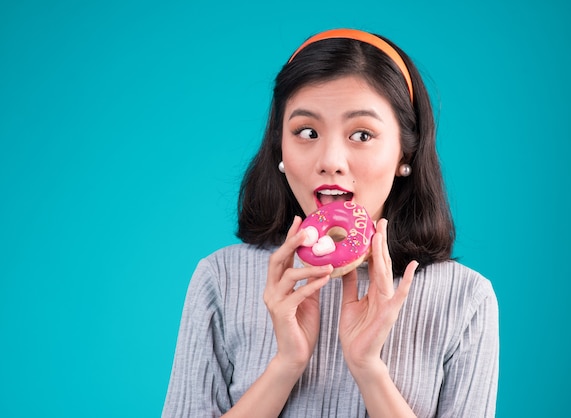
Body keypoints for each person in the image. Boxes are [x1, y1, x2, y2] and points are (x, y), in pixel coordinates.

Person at [162, 28, 499, 417]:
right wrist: (285, 365)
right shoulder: (221, 279)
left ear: (406, 152)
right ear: (280, 148)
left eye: (362, 134)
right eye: (307, 132)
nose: (331, 160)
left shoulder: (465, 299)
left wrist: (368, 369)